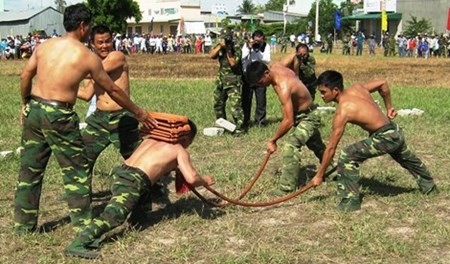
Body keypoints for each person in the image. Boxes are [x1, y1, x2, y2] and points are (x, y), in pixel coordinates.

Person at [14, 3, 157, 234]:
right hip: (59, 114)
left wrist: (25, 103)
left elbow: (25, 75)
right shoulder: (86, 56)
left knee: (29, 170)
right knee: (77, 169)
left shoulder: (44, 47)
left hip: (36, 110)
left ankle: (23, 227)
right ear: (83, 26)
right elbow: (112, 89)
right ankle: (83, 228)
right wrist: (140, 112)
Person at [64, 120, 214, 259]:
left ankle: (138, 218)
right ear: (187, 138)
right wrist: (205, 180)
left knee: (147, 187)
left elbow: (154, 163)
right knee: (113, 216)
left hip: (122, 173)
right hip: (132, 182)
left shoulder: (152, 139)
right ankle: (79, 243)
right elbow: (192, 178)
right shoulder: (179, 150)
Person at [311, 70, 437, 211]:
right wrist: (389, 107)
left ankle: (350, 201)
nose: (321, 96)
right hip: (394, 131)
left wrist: (319, 175)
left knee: (347, 155)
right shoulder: (357, 88)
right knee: (405, 157)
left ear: (335, 90)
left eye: (323, 92)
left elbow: (331, 148)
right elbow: (382, 83)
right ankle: (429, 187)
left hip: (386, 137)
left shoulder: (343, 110)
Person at [245, 61, 327, 195]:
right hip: (302, 113)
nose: (261, 86)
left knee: (291, 145)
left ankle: (287, 187)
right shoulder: (277, 66)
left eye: (260, 82)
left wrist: (273, 140)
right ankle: (331, 170)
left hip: (309, 116)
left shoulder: (283, 87)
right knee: (316, 144)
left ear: (266, 73)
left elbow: (288, 121)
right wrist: (297, 74)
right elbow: (294, 57)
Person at [77, 24, 141, 184]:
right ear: (92, 43)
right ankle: (81, 196)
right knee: (82, 158)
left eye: (108, 41)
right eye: (100, 42)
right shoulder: (93, 63)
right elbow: (86, 95)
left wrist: (65, 73)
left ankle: (154, 188)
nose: (105, 45)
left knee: (138, 160)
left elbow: (94, 72)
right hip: (99, 120)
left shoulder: (117, 56)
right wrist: (62, 89)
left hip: (121, 118)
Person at [209, 28, 244, 135]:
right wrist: (220, 46)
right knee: (218, 104)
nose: (225, 40)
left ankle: (239, 128)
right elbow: (211, 55)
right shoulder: (220, 46)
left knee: (235, 106)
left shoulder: (236, 47)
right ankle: (222, 123)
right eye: (223, 38)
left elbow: (233, 63)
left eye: (227, 38)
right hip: (221, 79)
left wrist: (228, 49)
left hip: (233, 80)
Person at [241, 30, 271, 129]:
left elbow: (266, 60)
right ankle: (245, 120)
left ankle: (260, 121)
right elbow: (242, 58)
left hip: (260, 76)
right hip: (248, 75)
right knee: (246, 99)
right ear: (253, 38)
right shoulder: (246, 45)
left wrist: (258, 51)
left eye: (260, 39)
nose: (257, 42)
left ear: (263, 38)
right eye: (255, 39)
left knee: (261, 99)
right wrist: (249, 48)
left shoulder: (266, 46)